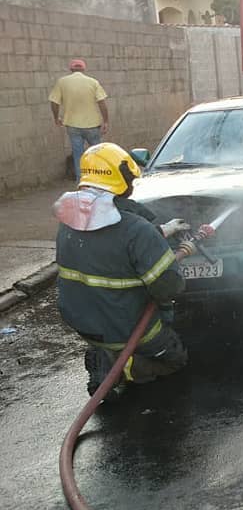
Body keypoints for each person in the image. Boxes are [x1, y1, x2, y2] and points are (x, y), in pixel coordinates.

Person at [53, 143, 191, 401]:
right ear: (123, 181)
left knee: (110, 334)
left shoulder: (69, 220)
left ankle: (104, 353)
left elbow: (110, 248)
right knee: (175, 359)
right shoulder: (137, 230)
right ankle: (120, 368)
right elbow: (169, 287)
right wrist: (164, 252)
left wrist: (161, 231)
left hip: (84, 323)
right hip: (128, 327)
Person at [49, 59, 110, 183]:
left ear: (71, 69)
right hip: (93, 125)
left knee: (78, 154)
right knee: (97, 153)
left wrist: (56, 118)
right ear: (83, 69)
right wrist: (106, 121)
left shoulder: (62, 82)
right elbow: (102, 103)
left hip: (72, 125)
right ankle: (100, 180)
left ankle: (81, 181)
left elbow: (54, 102)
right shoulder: (93, 82)